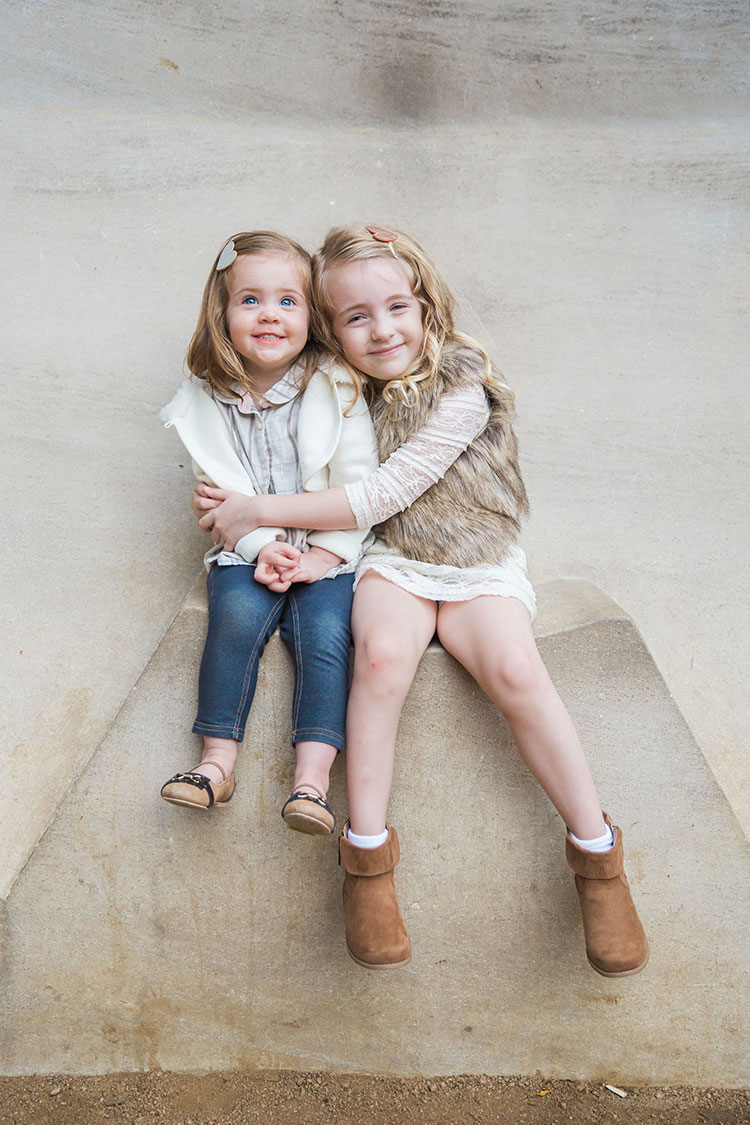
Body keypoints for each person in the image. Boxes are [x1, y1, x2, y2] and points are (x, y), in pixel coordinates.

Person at [194, 223, 649, 978]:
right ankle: (366, 860)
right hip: (391, 560)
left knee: (515, 670)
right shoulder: (331, 391)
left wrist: (256, 505)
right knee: (379, 657)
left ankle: (597, 858)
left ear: (428, 307)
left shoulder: (462, 382)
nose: (382, 330)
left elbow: (385, 490)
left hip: (475, 559)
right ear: (331, 331)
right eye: (356, 317)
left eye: (398, 306)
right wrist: (241, 516)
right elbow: (255, 410)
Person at [159, 230, 378, 835]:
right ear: (221, 312)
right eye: (249, 300)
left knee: (326, 635)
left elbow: (359, 483)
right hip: (245, 552)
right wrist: (260, 547)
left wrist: (323, 556)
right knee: (231, 622)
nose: (269, 316)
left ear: (313, 315)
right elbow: (217, 497)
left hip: (329, 553)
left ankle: (311, 781)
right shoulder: (207, 400)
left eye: (288, 301)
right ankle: (215, 764)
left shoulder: (336, 386)